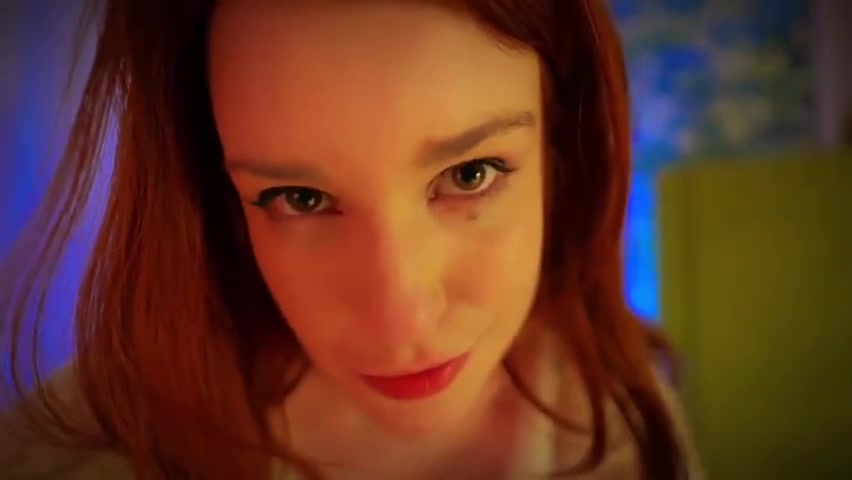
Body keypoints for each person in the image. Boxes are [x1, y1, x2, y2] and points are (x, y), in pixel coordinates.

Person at [0, 0, 704, 479]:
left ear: (559, 155)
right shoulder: (89, 447)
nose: (400, 318)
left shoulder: (620, 422)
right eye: (300, 198)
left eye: (471, 174)